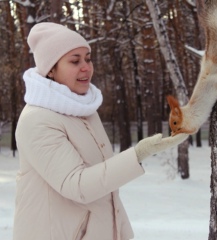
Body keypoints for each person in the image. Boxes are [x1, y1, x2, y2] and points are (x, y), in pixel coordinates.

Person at [13, 22, 188, 240]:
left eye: (88, 58)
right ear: (50, 69)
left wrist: (121, 232)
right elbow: (77, 185)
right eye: (75, 61)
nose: (86, 67)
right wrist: (138, 154)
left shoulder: (84, 110)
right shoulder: (37, 120)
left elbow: (104, 186)